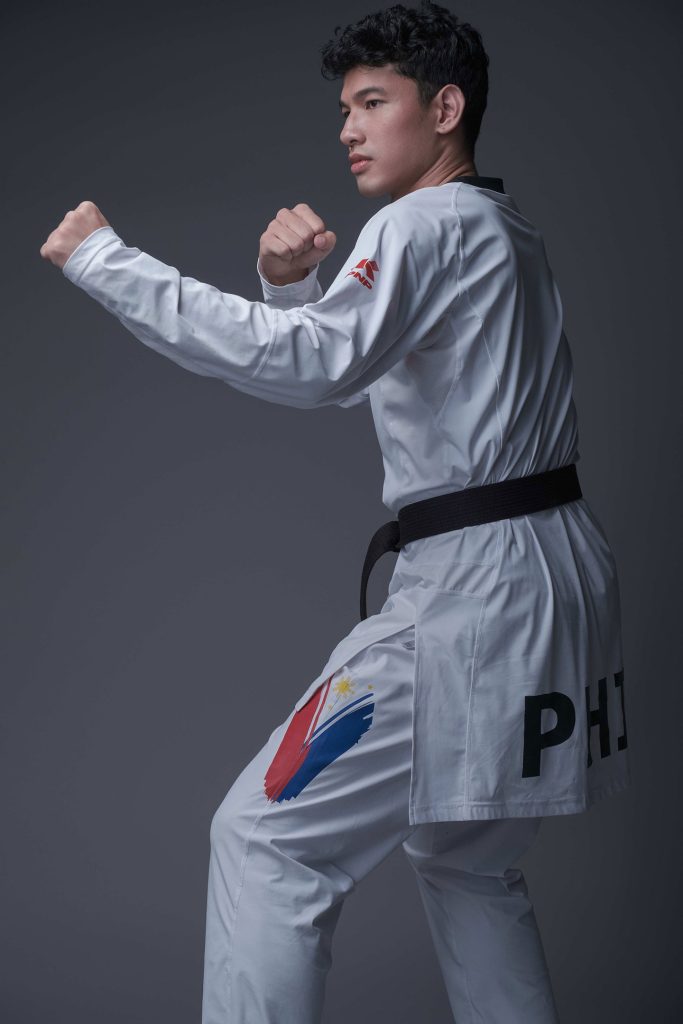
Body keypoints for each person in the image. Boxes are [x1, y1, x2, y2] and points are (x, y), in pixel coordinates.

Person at [40, 2, 631, 1021]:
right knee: (465, 860)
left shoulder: (421, 223)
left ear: (443, 108)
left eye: (372, 102)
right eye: (343, 110)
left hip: (473, 594)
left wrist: (107, 262)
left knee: (263, 839)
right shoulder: (502, 229)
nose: (349, 129)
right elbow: (379, 374)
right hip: (551, 577)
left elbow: (311, 367)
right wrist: (296, 286)